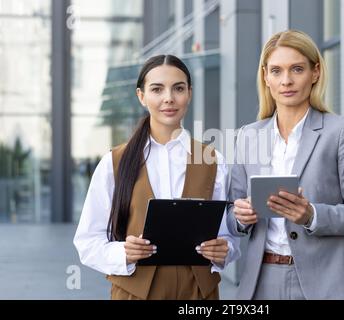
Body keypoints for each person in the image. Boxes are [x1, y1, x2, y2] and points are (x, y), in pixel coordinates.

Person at [74, 54, 239, 300]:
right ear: (141, 96)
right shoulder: (114, 162)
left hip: (198, 295)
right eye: (157, 89)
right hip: (134, 293)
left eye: (178, 88)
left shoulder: (214, 160)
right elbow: (88, 241)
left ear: (189, 94)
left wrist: (224, 250)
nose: (168, 98)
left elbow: (228, 235)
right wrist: (124, 253)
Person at [227, 30, 344, 300]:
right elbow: (231, 210)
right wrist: (239, 217)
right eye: (276, 71)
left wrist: (311, 216)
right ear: (265, 76)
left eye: (297, 69)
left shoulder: (340, 131)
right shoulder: (248, 135)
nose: (286, 81)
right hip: (261, 281)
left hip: (322, 282)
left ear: (315, 72)